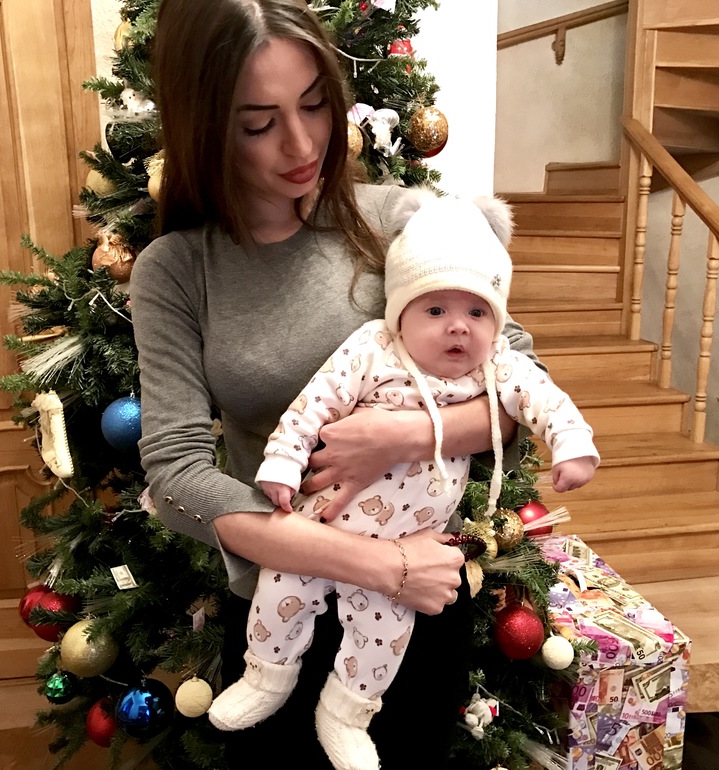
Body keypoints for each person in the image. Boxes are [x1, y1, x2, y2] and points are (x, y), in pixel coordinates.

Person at [131, 0, 545, 767]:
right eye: (258, 123)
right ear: (203, 128)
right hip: (282, 615)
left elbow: (524, 383)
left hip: (414, 610)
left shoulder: (400, 221)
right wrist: (377, 564)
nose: (301, 144)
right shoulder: (178, 269)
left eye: (315, 104)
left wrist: (404, 435)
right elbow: (177, 472)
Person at [205, 194, 599, 770]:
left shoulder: (498, 366)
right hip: (316, 526)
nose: (458, 326)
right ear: (400, 313)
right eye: (435, 309)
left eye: (478, 312)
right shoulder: (372, 348)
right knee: (280, 596)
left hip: (408, 550)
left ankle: (345, 713)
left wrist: (572, 445)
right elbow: (312, 405)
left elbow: (546, 401)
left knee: (382, 639)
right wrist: (284, 462)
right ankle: (266, 677)